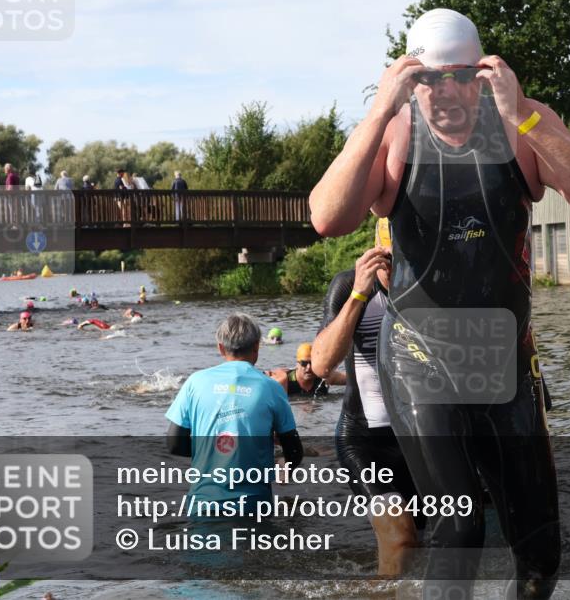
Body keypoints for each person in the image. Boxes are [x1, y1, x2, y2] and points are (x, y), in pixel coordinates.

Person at [308, 8, 570, 597]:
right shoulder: (395, 132)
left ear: (481, 73)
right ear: (410, 79)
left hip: (504, 362)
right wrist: (380, 108)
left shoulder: (520, 125)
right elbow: (326, 216)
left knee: (541, 553)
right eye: (428, 80)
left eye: (458, 76)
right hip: (422, 363)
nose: (444, 92)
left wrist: (523, 115)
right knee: (461, 524)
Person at [313, 221, 423, 576]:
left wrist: (403, 296)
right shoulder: (348, 285)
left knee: (422, 545)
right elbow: (322, 363)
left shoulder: (431, 283)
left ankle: (381, 588)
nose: (394, 265)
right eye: (389, 256)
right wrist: (360, 294)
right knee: (400, 536)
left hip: (423, 438)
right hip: (365, 438)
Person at [165, 313, 303, 510]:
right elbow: (295, 451)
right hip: (254, 504)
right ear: (257, 346)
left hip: (203, 503)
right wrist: (282, 465)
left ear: (220, 348)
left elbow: (174, 444)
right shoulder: (272, 387)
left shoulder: (195, 382)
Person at [268, 343, 346, 398]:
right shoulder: (284, 380)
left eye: (311, 363)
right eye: (304, 363)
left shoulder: (324, 378)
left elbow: (352, 379)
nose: (308, 367)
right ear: (297, 364)